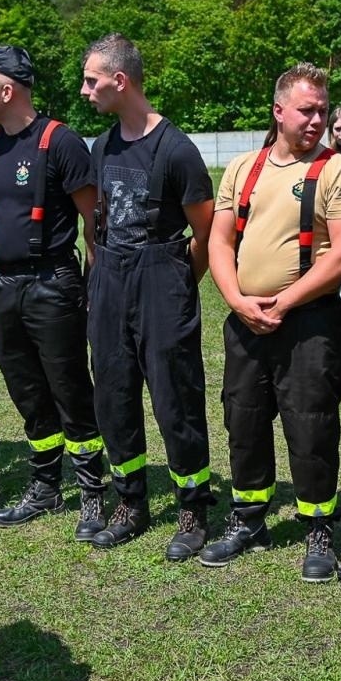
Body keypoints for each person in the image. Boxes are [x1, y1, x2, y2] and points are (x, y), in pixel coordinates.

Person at [203, 63, 341, 581]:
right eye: (306, 110)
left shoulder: (339, 171)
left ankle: (318, 525)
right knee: (243, 420)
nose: (317, 119)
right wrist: (236, 299)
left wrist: (282, 302)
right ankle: (249, 517)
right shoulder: (242, 168)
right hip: (245, 321)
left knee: (311, 424)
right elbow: (219, 240)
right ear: (278, 111)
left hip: (308, 322)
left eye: (323, 109)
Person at [79, 33, 217, 557]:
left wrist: (180, 286)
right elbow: (100, 220)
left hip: (163, 274)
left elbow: (205, 234)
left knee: (175, 399)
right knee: (112, 394)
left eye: (93, 80)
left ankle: (191, 509)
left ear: (121, 81)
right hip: (110, 274)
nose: (85, 89)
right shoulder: (103, 145)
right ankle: (130, 501)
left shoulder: (176, 149)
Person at [0, 45, 109, 535]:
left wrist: (92, 288)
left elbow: (94, 224)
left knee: (69, 388)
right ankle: (45, 484)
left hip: (53, 283)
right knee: (24, 388)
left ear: (8, 90)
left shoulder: (60, 141)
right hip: (4, 286)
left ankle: (92, 490)